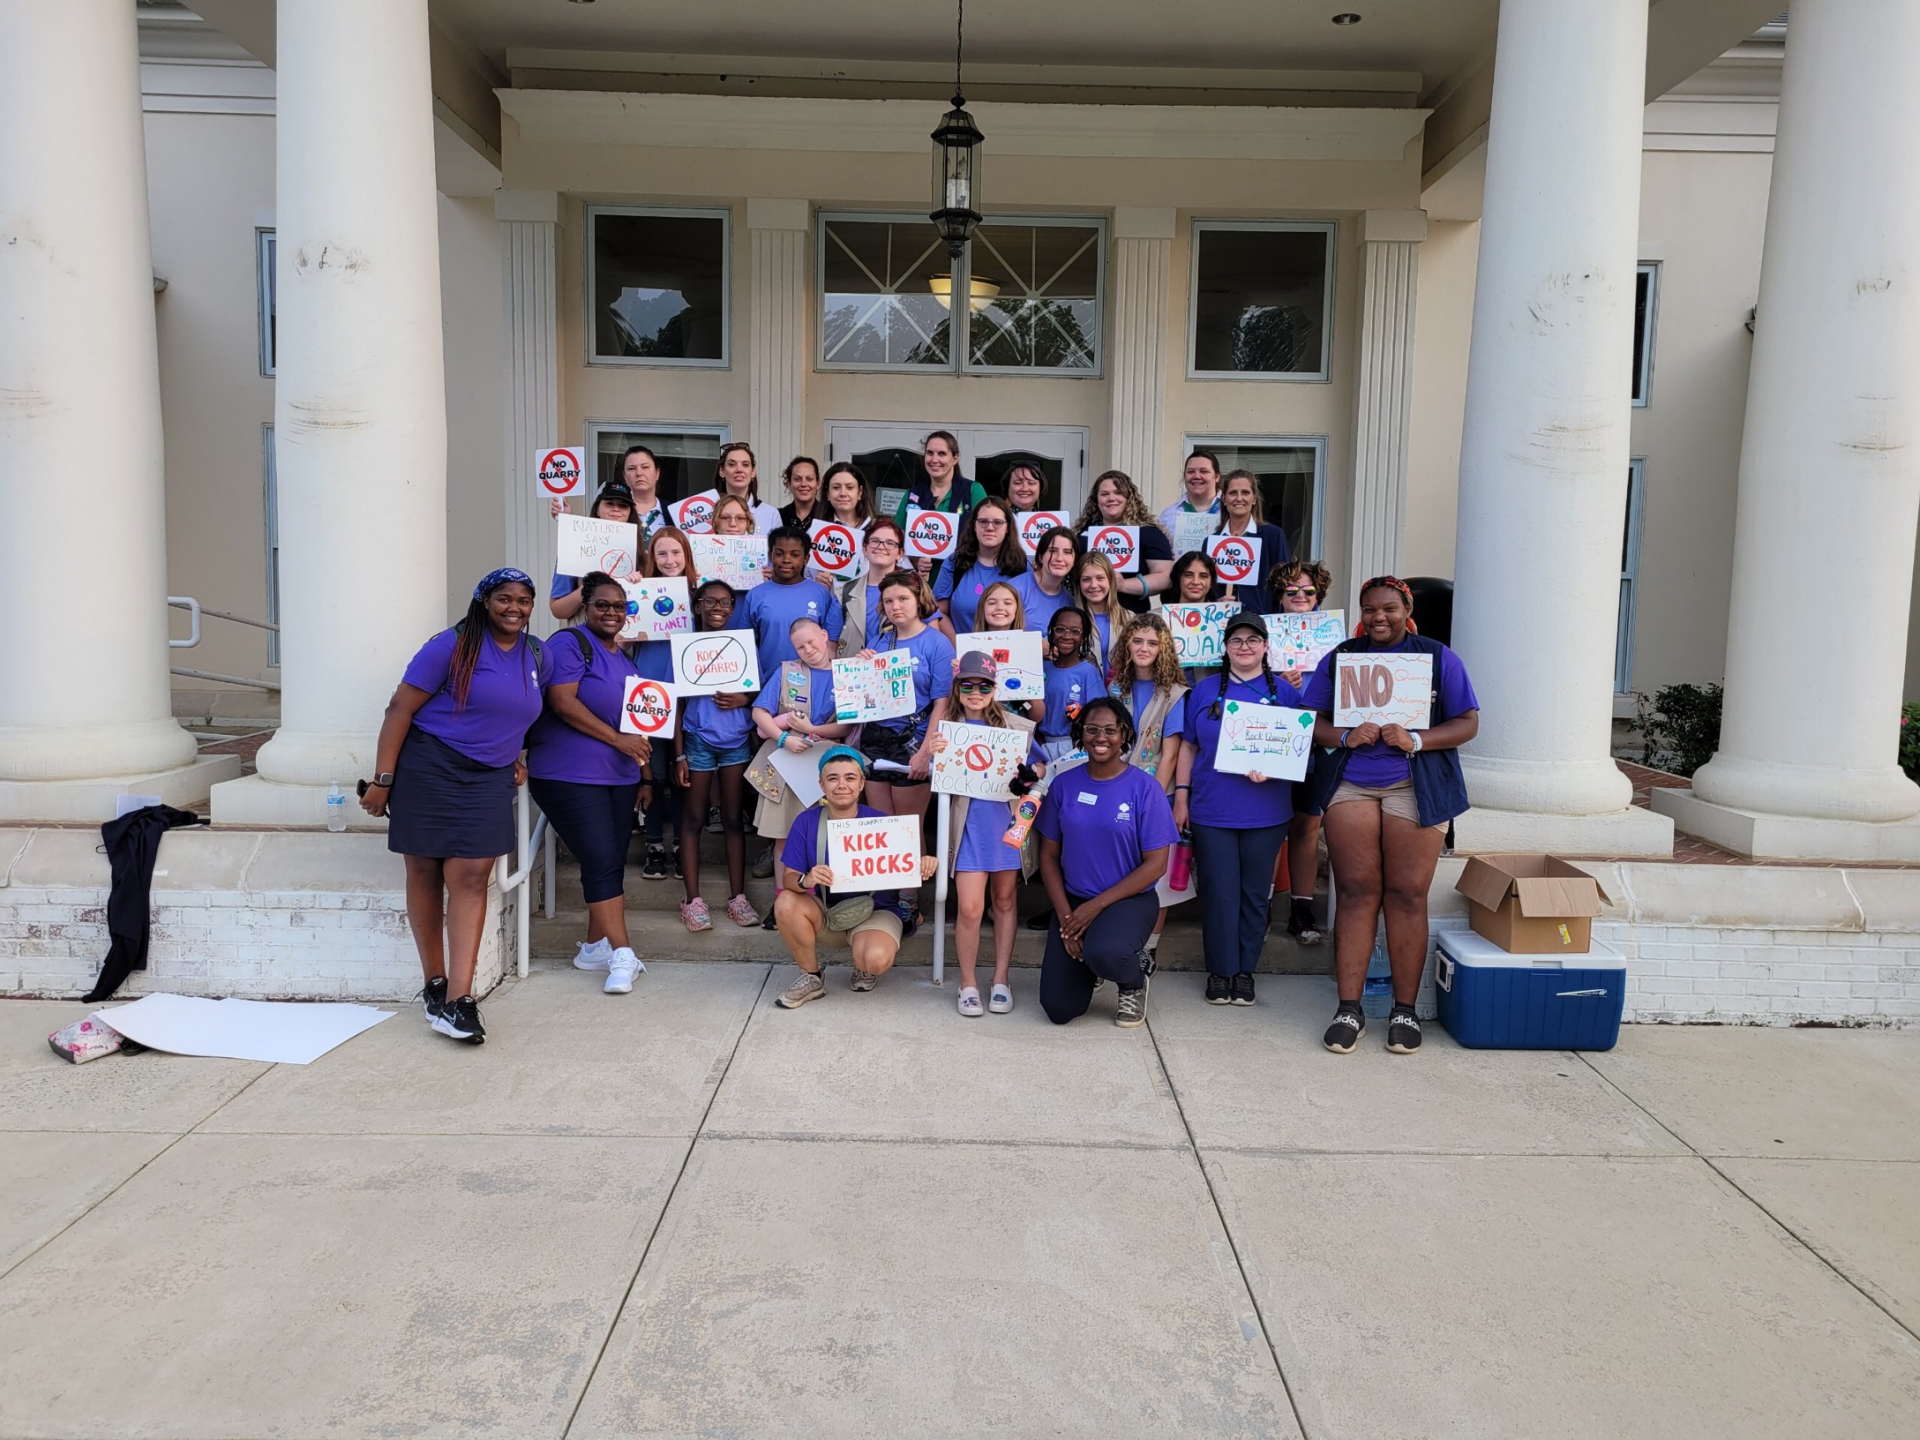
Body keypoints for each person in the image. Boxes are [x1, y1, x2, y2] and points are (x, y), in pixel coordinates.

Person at [360, 568, 545, 1045]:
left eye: (524, 600)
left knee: (470, 875)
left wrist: (516, 753)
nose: (515, 608)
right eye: (504, 598)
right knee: (423, 871)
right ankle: (435, 984)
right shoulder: (450, 645)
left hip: (488, 778)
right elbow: (399, 708)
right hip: (430, 766)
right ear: (484, 601)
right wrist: (383, 780)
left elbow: (516, 712)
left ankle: (461, 1001)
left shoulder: (534, 654)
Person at [1302, 576, 1479, 1056]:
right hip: (1353, 783)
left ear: (1406, 608)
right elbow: (1309, 719)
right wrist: (1343, 736)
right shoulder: (1341, 657)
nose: (1379, 618)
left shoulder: (1438, 657)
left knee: (1407, 894)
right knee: (1356, 892)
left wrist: (1416, 739)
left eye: (1389, 609)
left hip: (1414, 784)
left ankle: (1404, 1009)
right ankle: (1349, 1008)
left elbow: (1468, 722)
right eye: (1369, 609)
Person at [523, 573, 651, 993]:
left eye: (620, 606)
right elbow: (562, 701)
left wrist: (643, 771)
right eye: (602, 605)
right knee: (599, 858)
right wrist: (618, 740)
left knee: (610, 860)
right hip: (567, 774)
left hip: (618, 775)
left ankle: (594, 946)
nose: (612, 613)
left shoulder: (625, 658)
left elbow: (638, 725)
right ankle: (622, 954)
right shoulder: (569, 644)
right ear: (585, 606)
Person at [1173, 614, 1305, 1007]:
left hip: (1266, 810)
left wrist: (1275, 766)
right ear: (1226, 647)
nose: (1244, 646)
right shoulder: (1204, 690)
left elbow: (1300, 748)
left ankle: (1245, 971)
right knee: (1218, 893)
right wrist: (1182, 796)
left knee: (1253, 895)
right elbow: (1188, 746)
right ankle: (1220, 970)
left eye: (1253, 640)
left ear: (1266, 647)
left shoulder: (1286, 693)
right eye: (1236, 640)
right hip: (1213, 808)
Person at [1036, 697, 1178, 1028]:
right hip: (1074, 900)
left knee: (1106, 952)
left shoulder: (1145, 789)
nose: (1101, 737)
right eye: (1092, 729)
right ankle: (1092, 965)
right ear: (1081, 734)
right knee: (1058, 1010)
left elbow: (1156, 865)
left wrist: (1094, 908)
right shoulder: (1064, 785)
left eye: (1110, 730)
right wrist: (1066, 919)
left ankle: (1133, 978)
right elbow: (1048, 857)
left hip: (1128, 901)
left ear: (1124, 734)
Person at [773, 746, 938, 1008]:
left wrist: (925, 863)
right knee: (785, 903)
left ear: (862, 783)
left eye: (850, 778)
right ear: (821, 784)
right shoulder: (807, 821)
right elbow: (789, 879)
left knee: (874, 960)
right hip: (827, 911)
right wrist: (808, 879)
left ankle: (863, 964)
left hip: (876, 911)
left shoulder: (882, 822)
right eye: (833, 778)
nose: (842, 785)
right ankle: (812, 977)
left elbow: (905, 866)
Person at [932, 651, 1045, 1017]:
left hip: (1005, 826)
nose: (975, 691)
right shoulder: (946, 726)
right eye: (968, 684)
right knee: (968, 908)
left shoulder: (1015, 726)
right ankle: (967, 982)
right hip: (967, 829)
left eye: (983, 685)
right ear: (957, 688)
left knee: (1005, 902)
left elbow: (1041, 765)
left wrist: (1030, 772)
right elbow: (935, 774)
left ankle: (1000, 978)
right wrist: (933, 753)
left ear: (995, 689)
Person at [674, 579, 762, 932]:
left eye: (725, 602)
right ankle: (692, 900)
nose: (717, 608)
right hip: (697, 740)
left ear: (733, 607)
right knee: (694, 818)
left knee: (732, 820)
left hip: (736, 741)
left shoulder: (743, 646)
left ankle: (737, 898)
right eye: (709, 601)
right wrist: (678, 755)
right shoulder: (686, 647)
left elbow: (758, 691)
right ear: (697, 606)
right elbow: (677, 706)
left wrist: (745, 699)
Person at [747, 616, 853, 897]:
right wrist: (783, 737)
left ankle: (821, 899)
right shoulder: (787, 671)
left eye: (811, 641)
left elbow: (847, 724)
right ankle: (782, 899)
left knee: (823, 833)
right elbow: (759, 712)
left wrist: (813, 729)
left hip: (824, 765)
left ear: (824, 634)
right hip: (787, 765)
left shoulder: (844, 673)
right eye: (800, 646)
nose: (807, 649)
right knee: (784, 836)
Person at [1109, 611, 1189, 955]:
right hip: (1115, 790)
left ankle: (1149, 950)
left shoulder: (1174, 693)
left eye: (1153, 643)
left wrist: (1152, 801)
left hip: (1157, 793)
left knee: (1158, 876)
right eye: (1137, 640)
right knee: (1118, 870)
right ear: (1127, 644)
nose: (1144, 648)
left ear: (1164, 649)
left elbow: (1170, 754)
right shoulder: (1115, 687)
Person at [1268, 557, 1337, 945]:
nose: (1300, 596)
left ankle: (1301, 908)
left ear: (1318, 596)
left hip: (1317, 743)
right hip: (1274, 740)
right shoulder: (1262, 635)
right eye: (1291, 590)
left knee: (1308, 825)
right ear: (1279, 596)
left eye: (1308, 590)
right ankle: (1261, 904)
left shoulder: (1333, 641)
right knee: (1269, 823)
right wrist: (1277, 681)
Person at [857, 571, 955, 839]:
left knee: (908, 830)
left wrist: (925, 753)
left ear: (918, 599)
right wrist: (860, 668)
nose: (895, 607)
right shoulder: (880, 640)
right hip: (877, 738)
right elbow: (865, 697)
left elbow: (942, 704)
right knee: (882, 828)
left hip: (913, 741)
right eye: (888, 601)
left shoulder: (937, 644)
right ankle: (888, 882)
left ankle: (911, 883)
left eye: (902, 599)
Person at [635, 525, 701, 881]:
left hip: (689, 695)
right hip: (648, 692)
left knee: (682, 776)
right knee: (653, 773)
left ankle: (680, 847)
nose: (670, 559)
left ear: (686, 557)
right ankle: (654, 844)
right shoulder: (639, 592)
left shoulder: (699, 595)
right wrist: (631, 590)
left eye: (676, 553)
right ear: (652, 558)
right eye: (662, 553)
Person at [733, 526, 844, 680]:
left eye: (795, 555)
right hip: (768, 681)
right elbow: (746, 644)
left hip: (812, 682)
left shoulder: (820, 594)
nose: (786, 559)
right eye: (779, 554)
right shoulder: (756, 594)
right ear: (770, 556)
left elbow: (829, 642)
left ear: (806, 558)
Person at [894, 430, 987, 589]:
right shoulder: (913, 494)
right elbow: (896, 539)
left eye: (942, 454)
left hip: (964, 581)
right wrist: (916, 561)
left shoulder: (972, 491)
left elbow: (988, 533)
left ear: (955, 458)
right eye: (930, 453)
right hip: (920, 585)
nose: (934, 459)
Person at [1073, 469, 1173, 612]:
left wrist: (1123, 585)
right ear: (1096, 500)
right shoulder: (1082, 534)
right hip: (1087, 615)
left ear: (1129, 498)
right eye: (1104, 494)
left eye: (1118, 492)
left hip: (1132, 614)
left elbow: (1165, 577)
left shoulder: (1148, 532)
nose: (1111, 498)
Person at [549, 481, 644, 622]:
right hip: (586, 639)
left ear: (630, 513)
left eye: (623, 506)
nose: (616, 509)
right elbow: (558, 609)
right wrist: (587, 589)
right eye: (609, 503)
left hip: (626, 640)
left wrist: (638, 586)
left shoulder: (642, 553)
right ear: (598, 510)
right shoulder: (574, 548)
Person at [934, 495, 1027, 636]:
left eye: (997, 522)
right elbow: (938, 612)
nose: (990, 528)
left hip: (1008, 653)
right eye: (983, 521)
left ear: (1008, 527)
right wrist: (957, 647)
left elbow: (1029, 615)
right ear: (974, 526)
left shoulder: (1021, 567)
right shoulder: (955, 563)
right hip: (960, 654)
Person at [1213, 468, 1291, 615]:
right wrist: (1217, 602)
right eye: (1232, 493)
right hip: (1221, 623)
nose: (1239, 498)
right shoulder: (1212, 541)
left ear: (1254, 498)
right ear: (1224, 499)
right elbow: (1208, 588)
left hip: (1263, 622)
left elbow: (1284, 584)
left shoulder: (1273, 536)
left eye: (1245, 492)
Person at [1037, 605, 1106, 761]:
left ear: (1083, 637)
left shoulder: (1088, 672)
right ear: (1052, 632)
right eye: (1060, 629)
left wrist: (1081, 717)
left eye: (1075, 632)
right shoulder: (1041, 668)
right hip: (1041, 747)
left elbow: (1100, 714)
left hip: (1075, 747)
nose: (1066, 636)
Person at [835, 517, 904, 657]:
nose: (881, 546)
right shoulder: (844, 592)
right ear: (865, 549)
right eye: (875, 541)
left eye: (890, 543)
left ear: (900, 553)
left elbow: (930, 637)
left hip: (896, 674)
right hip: (853, 674)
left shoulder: (915, 590)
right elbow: (831, 644)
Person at [1013, 525, 1080, 636]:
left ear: (1074, 560)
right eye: (1053, 551)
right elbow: (1000, 636)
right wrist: (1037, 645)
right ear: (1040, 556)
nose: (1059, 558)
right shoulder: (1015, 590)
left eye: (1067, 552)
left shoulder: (1071, 603)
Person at [1070, 550, 1129, 669]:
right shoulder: (1070, 621)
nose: (1093, 585)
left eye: (1100, 578)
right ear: (1079, 584)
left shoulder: (1129, 619)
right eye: (1086, 579)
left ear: (1110, 580)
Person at [717, 440, 782, 536]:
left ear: (752, 472)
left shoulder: (770, 514)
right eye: (732, 464)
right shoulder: (708, 511)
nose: (739, 470)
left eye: (745, 465)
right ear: (722, 471)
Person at [1157, 448, 1224, 540]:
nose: (1197, 476)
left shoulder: (1230, 511)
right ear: (1184, 476)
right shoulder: (1168, 515)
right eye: (1191, 472)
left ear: (1217, 477)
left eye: (1203, 471)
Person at [777, 455, 826, 530]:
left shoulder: (828, 517)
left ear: (818, 484)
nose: (803, 484)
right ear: (789, 484)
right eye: (797, 479)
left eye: (809, 479)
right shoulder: (778, 516)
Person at [821, 460, 873, 529]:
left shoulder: (874, 529)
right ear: (827, 493)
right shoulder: (816, 528)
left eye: (850, 487)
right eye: (836, 487)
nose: (843, 493)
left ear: (860, 492)